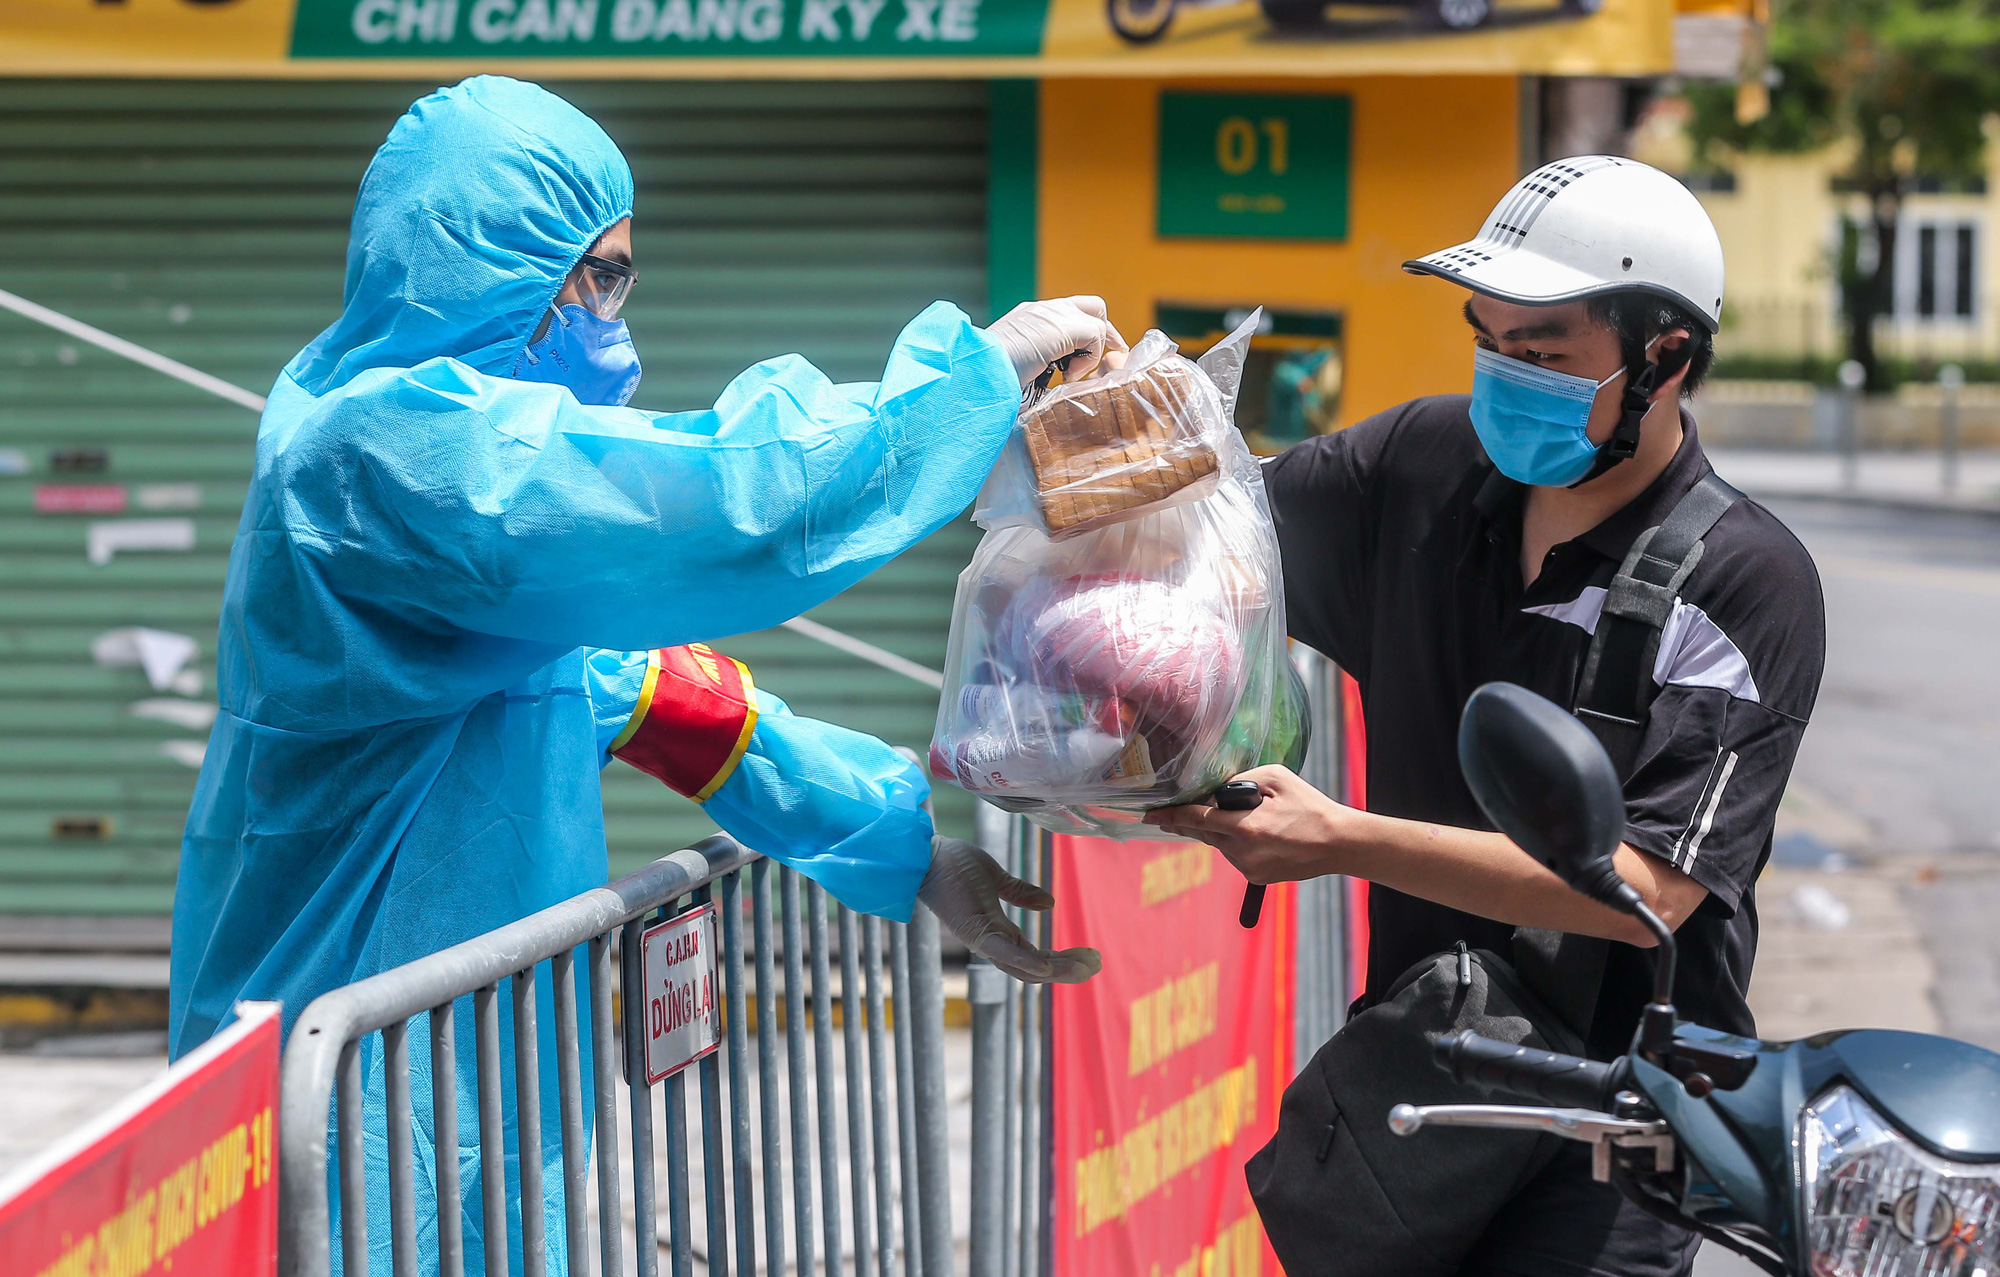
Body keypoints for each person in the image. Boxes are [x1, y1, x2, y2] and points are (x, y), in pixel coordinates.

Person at [168, 75, 1107, 1273]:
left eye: (623, 273)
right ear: (495, 273)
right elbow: (728, 503)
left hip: (456, 1089)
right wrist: (961, 390)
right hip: (340, 1110)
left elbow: (633, 690)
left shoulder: (443, 493)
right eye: (596, 273)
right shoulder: (379, 454)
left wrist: (893, 838)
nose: (613, 310)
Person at [1148, 156, 1825, 1277]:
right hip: (1417, 1079)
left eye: (1545, 353)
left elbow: (1643, 890)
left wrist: (1337, 839)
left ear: (1664, 360)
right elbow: (1209, 541)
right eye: (1489, 341)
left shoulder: (1743, 578)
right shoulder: (1415, 466)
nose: (1506, 375)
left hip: (1620, 1131)